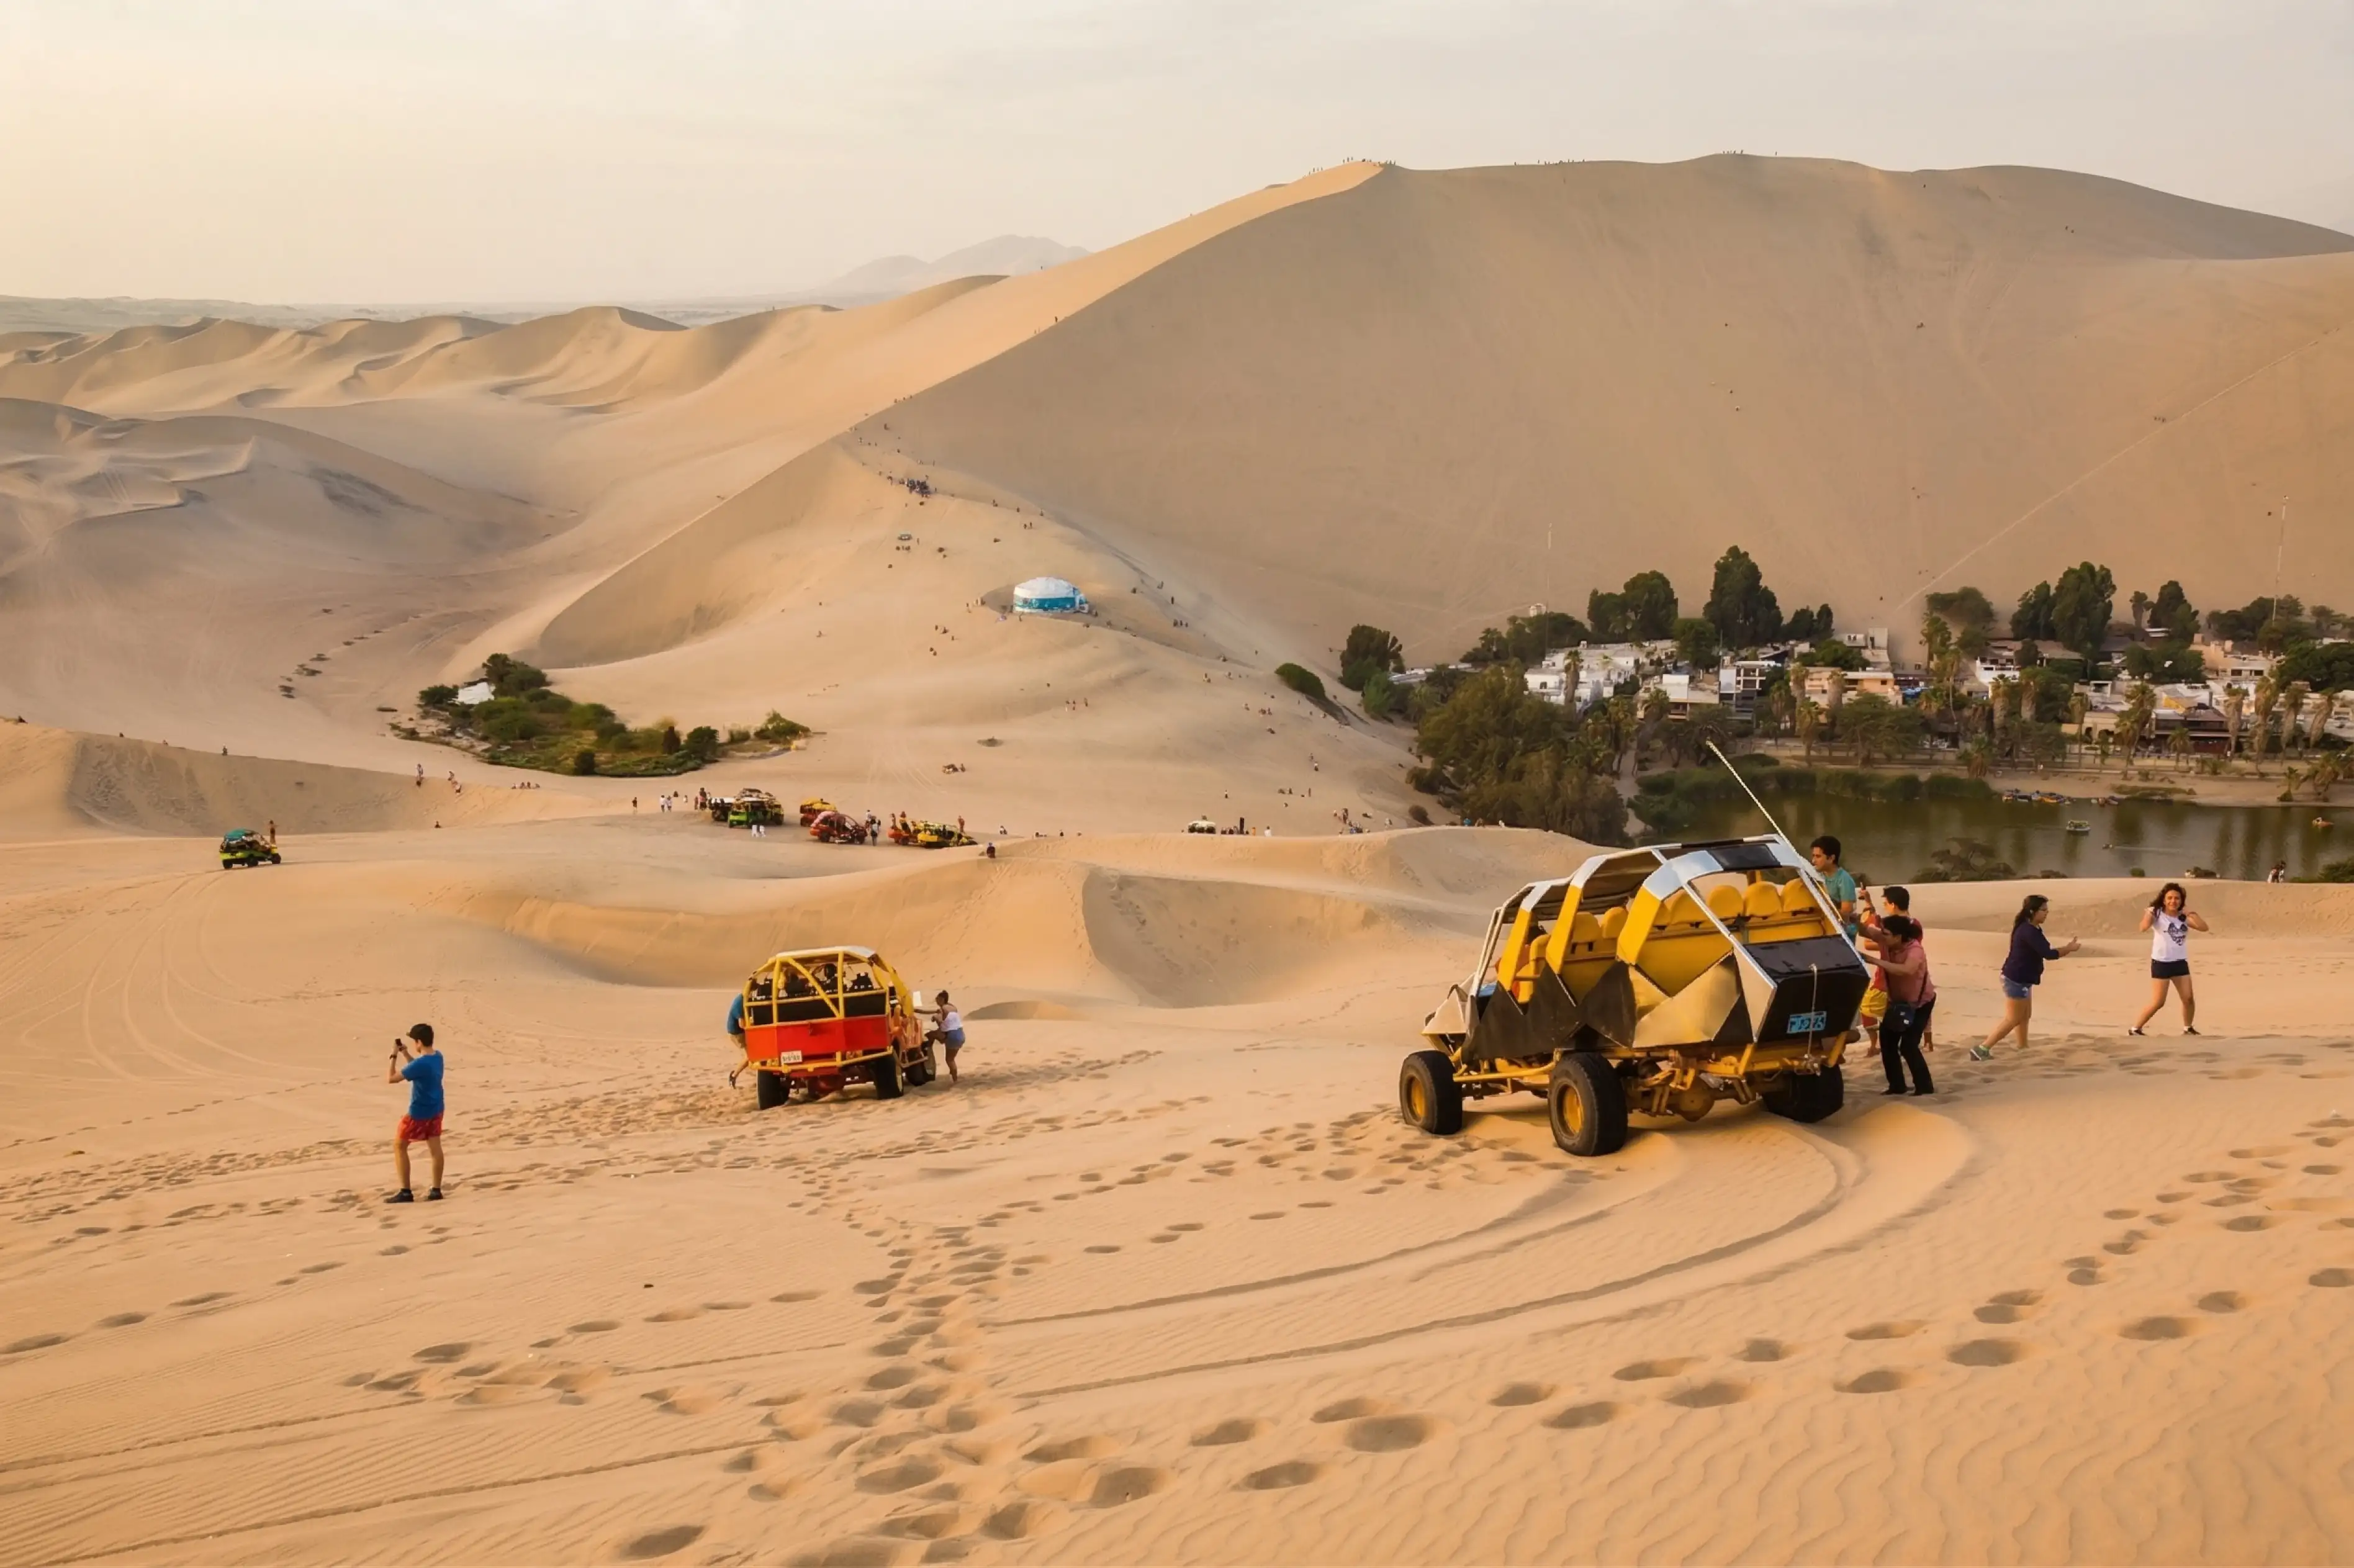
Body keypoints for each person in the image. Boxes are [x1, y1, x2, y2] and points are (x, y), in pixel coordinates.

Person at [1973, 894, 2080, 1060]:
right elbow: (2049, 954)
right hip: (2015, 979)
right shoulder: (2028, 931)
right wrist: (2069, 948)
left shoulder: (2031, 928)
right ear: (2032, 911)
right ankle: (1982, 1049)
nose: (2047, 913)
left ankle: (2023, 1047)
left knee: (2025, 1015)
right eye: (2043, 910)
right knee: (2013, 1018)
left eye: (2047, 910)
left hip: (2022, 978)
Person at [2129, 882, 2209, 1036]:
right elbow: (2143, 927)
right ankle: (2135, 1028)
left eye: (2177, 898)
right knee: (2159, 1002)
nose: (2174, 901)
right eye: (2170, 898)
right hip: (2161, 963)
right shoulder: (2158, 914)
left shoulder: (2182, 917)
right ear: (2164, 900)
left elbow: (2204, 927)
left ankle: (2188, 1028)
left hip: (2179, 962)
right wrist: (2149, 914)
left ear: (2181, 901)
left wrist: (2191, 913)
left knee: (2188, 998)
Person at [1873, 914, 1936, 1095]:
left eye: (1885, 934)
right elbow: (1866, 931)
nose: (1881, 936)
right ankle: (1897, 1086)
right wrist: (1854, 921)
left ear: (1898, 936)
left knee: (1908, 1045)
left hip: (1921, 1003)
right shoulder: (1887, 941)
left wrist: (1875, 961)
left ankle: (1925, 1088)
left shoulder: (1915, 950)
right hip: (1897, 1004)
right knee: (1887, 1042)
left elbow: (1906, 970)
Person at [386, 1024, 444, 1202]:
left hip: (419, 1112)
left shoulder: (421, 1063)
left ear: (419, 1042)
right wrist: (405, 1054)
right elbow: (417, 1068)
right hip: (436, 1109)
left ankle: (405, 1191)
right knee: (435, 1149)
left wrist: (394, 1055)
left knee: (400, 1146)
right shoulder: (438, 1057)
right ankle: (436, 1190)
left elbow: (392, 1079)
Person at [1810, 836, 1859, 940]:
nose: (1813, 861)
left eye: (1818, 857)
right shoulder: (1817, 876)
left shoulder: (1844, 880)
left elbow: (1845, 915)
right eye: (1813, 856)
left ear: (1831, 858)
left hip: (1843, 934)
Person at [926, 989, 966, 1084]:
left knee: (949, 1060)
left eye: (937, 999)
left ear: (942, 999)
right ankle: (952, 1074)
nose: (936, 1000)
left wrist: (935, 1017)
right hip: (961, 1034)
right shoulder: (953, 1007)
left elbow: (940, 1021)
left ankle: (955, 1080)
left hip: (952, 1035)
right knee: (951, 1058)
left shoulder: (942, 1009)